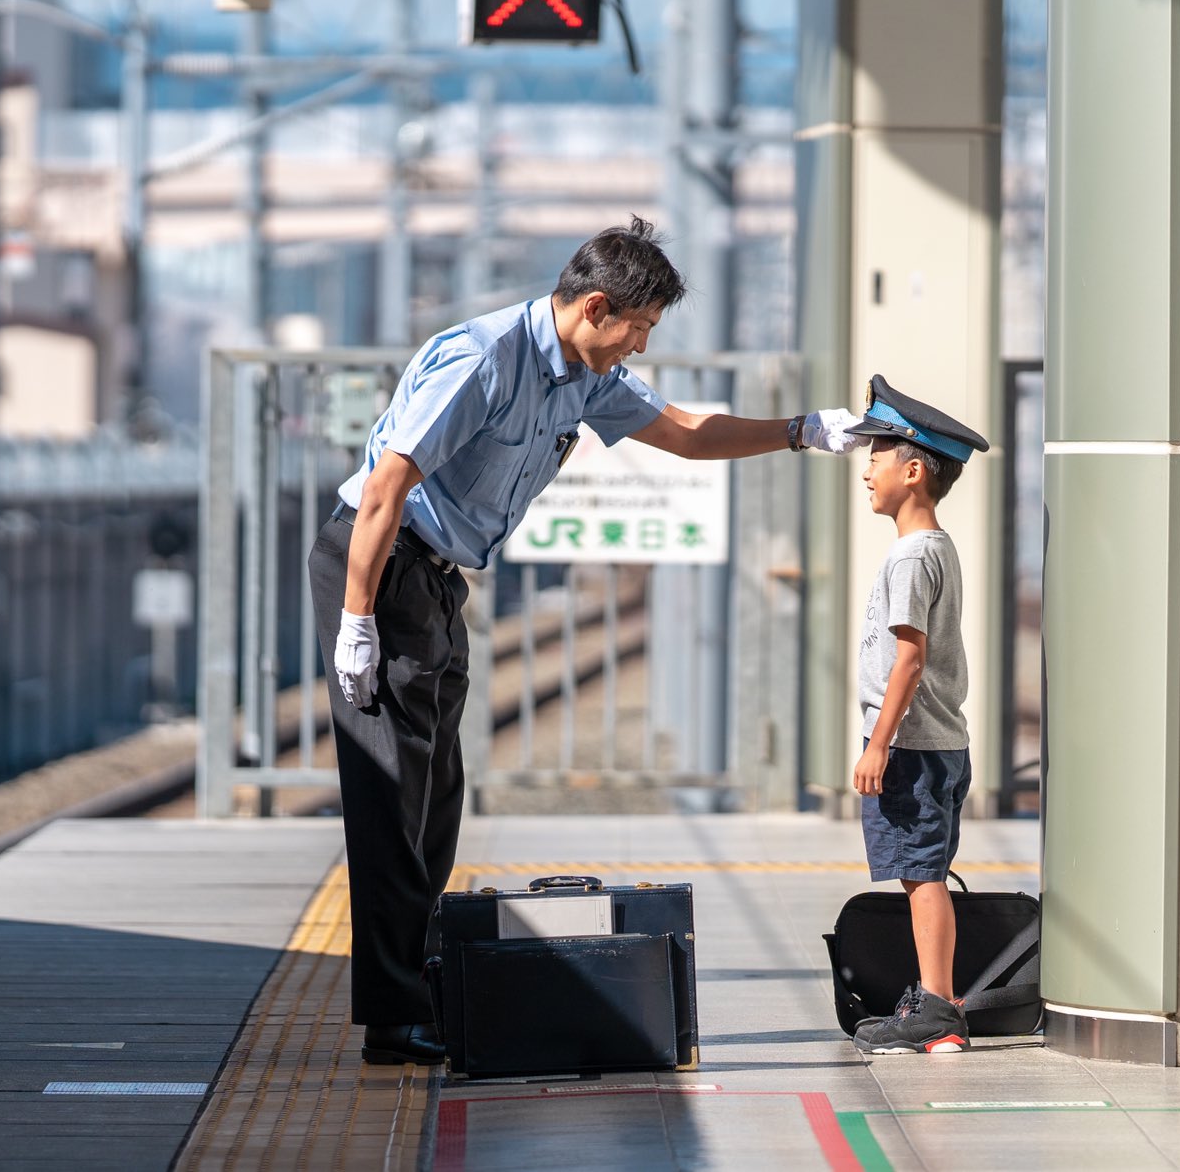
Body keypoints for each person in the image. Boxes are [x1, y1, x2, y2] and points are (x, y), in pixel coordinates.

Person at [306, 216, 865, 1066]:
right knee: (390, 798)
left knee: (435, 798)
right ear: (596, 306)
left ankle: (419, 988)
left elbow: (684, 433)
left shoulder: (583, 373)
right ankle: (393, 1017)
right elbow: (387, 485)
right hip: (377, 563)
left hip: (434, 581)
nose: (639, 346)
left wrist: (804, 430)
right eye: (638, 327)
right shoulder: (485, 359)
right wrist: (356, 621)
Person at [844, 375, 990, 1056]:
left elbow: (908, 660)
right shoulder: (936, 549)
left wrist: (878, 746)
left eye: (876, 455)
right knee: (922, 873)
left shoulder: (911, 556)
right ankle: (937, 1005)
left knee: (923, 879)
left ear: (912, 470)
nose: (866, 469)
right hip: (936, 744)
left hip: (913, 746)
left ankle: (937, 1007)